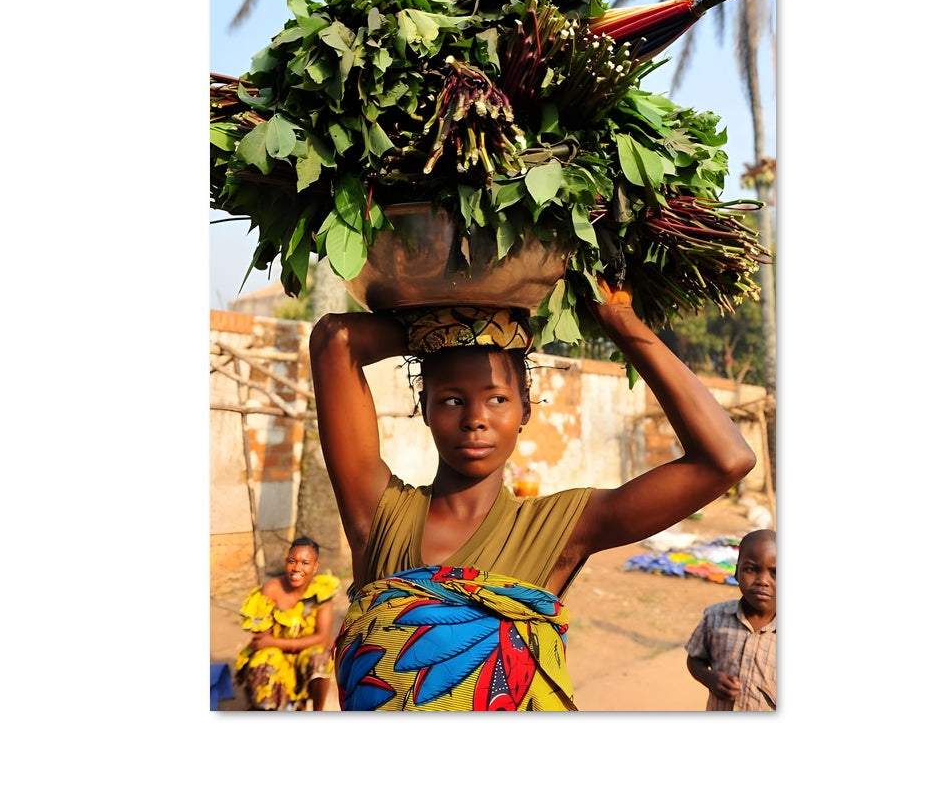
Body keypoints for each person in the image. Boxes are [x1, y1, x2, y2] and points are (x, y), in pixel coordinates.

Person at [309, 281, 757, 711]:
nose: (475, 419)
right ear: (423, 407)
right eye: (451, 400)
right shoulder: (381, 515)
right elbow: (335, 339)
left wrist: (620, 322)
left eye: (497, 399)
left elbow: (726, 460)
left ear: (525, 408)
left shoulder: (557, 528)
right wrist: (457, 322)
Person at [235, 536, 340, 711]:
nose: (297, 568)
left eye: (305, 563)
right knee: (265, 662)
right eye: (292, 561)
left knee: (321, 658)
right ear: (286, 562)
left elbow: (322, 638)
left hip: (301, 652)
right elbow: (262, 640)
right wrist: (275, 645)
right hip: (276, 654)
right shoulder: (272, 589)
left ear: (315, 566)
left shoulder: (321, 592)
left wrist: (276, 642)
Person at [685, 528, 776, 711]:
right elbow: (695, 660)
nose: (762, 581)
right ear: (736, 573)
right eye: (751, 569)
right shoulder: (715, 617)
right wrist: (709, 678)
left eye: (775, 572)